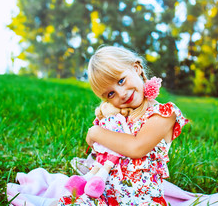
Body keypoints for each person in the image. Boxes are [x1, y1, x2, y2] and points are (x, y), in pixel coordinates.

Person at [57, 46, 190, 205]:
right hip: (104, 194)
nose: (121, 94)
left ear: (136, 68)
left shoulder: (163, 114)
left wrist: (95, 132)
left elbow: (136, 147)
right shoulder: (118, 118)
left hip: (140, 199)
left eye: (121, 80)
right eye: (110, 94)